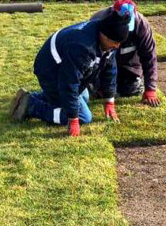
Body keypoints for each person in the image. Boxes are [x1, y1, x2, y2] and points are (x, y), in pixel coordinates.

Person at [8, 8, 133, 137]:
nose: (117, 46)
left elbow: (110, 69)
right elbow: (69, 82)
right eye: (115, 42)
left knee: (84, 97)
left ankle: (33, 98)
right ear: (103, 35)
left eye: (119, 43)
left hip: (64, 70)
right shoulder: (81, 45)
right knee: (84, 117)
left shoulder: (108, 39)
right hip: (50, 72)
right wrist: (73, 119)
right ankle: (31, 106)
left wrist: (109, 100)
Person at [88, 0, 160, 107]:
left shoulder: (142, 26)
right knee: (96, 89)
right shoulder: (99, 20)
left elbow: (149, 57)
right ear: (113, 14)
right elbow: (89, 55)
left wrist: (150, 89)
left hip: (129, 65)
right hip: (103, 64)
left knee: (130, 89)